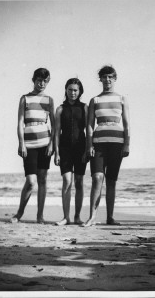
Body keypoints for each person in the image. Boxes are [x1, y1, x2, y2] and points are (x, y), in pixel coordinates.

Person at [83, 65, 130, 227]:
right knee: (97, 178)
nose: (107, 80)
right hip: (98, 144)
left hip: (117, 144)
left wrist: (126, 145)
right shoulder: (94, 100)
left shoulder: (122, 99)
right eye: (104, 77)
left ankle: (110, 217)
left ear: (115, 78)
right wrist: (89, 144)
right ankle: (92, 217)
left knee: (111, 181)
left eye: (110, 77)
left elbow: (127, 124)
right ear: (100, 79)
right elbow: (89, 125)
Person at [11, 68, 55, 224]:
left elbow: (54, 125)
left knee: (42, 180)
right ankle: (19, 213)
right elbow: (20, 122)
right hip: (29, 145)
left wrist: (52, 145)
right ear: (34, 80)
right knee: (31, 181)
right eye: (39, 80)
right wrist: (21, 143)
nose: (41, 83)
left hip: (45, 144)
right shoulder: (25, 98)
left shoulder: (49, 100)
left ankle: (40, 216)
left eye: (45, 81)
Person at [54, 78, 88, 226]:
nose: (72, 93)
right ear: (66, 90)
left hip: (81, 148)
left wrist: (88, 149)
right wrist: (56, 152)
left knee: (79, 182)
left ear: (79, 91)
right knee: (67, 181)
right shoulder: (60, 109)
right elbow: (56, 133)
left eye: (75, 90)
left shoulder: (85, 108)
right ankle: (65, 217)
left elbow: (89, 130)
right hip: (65, 149)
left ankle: (77, 216)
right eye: (70, 90)